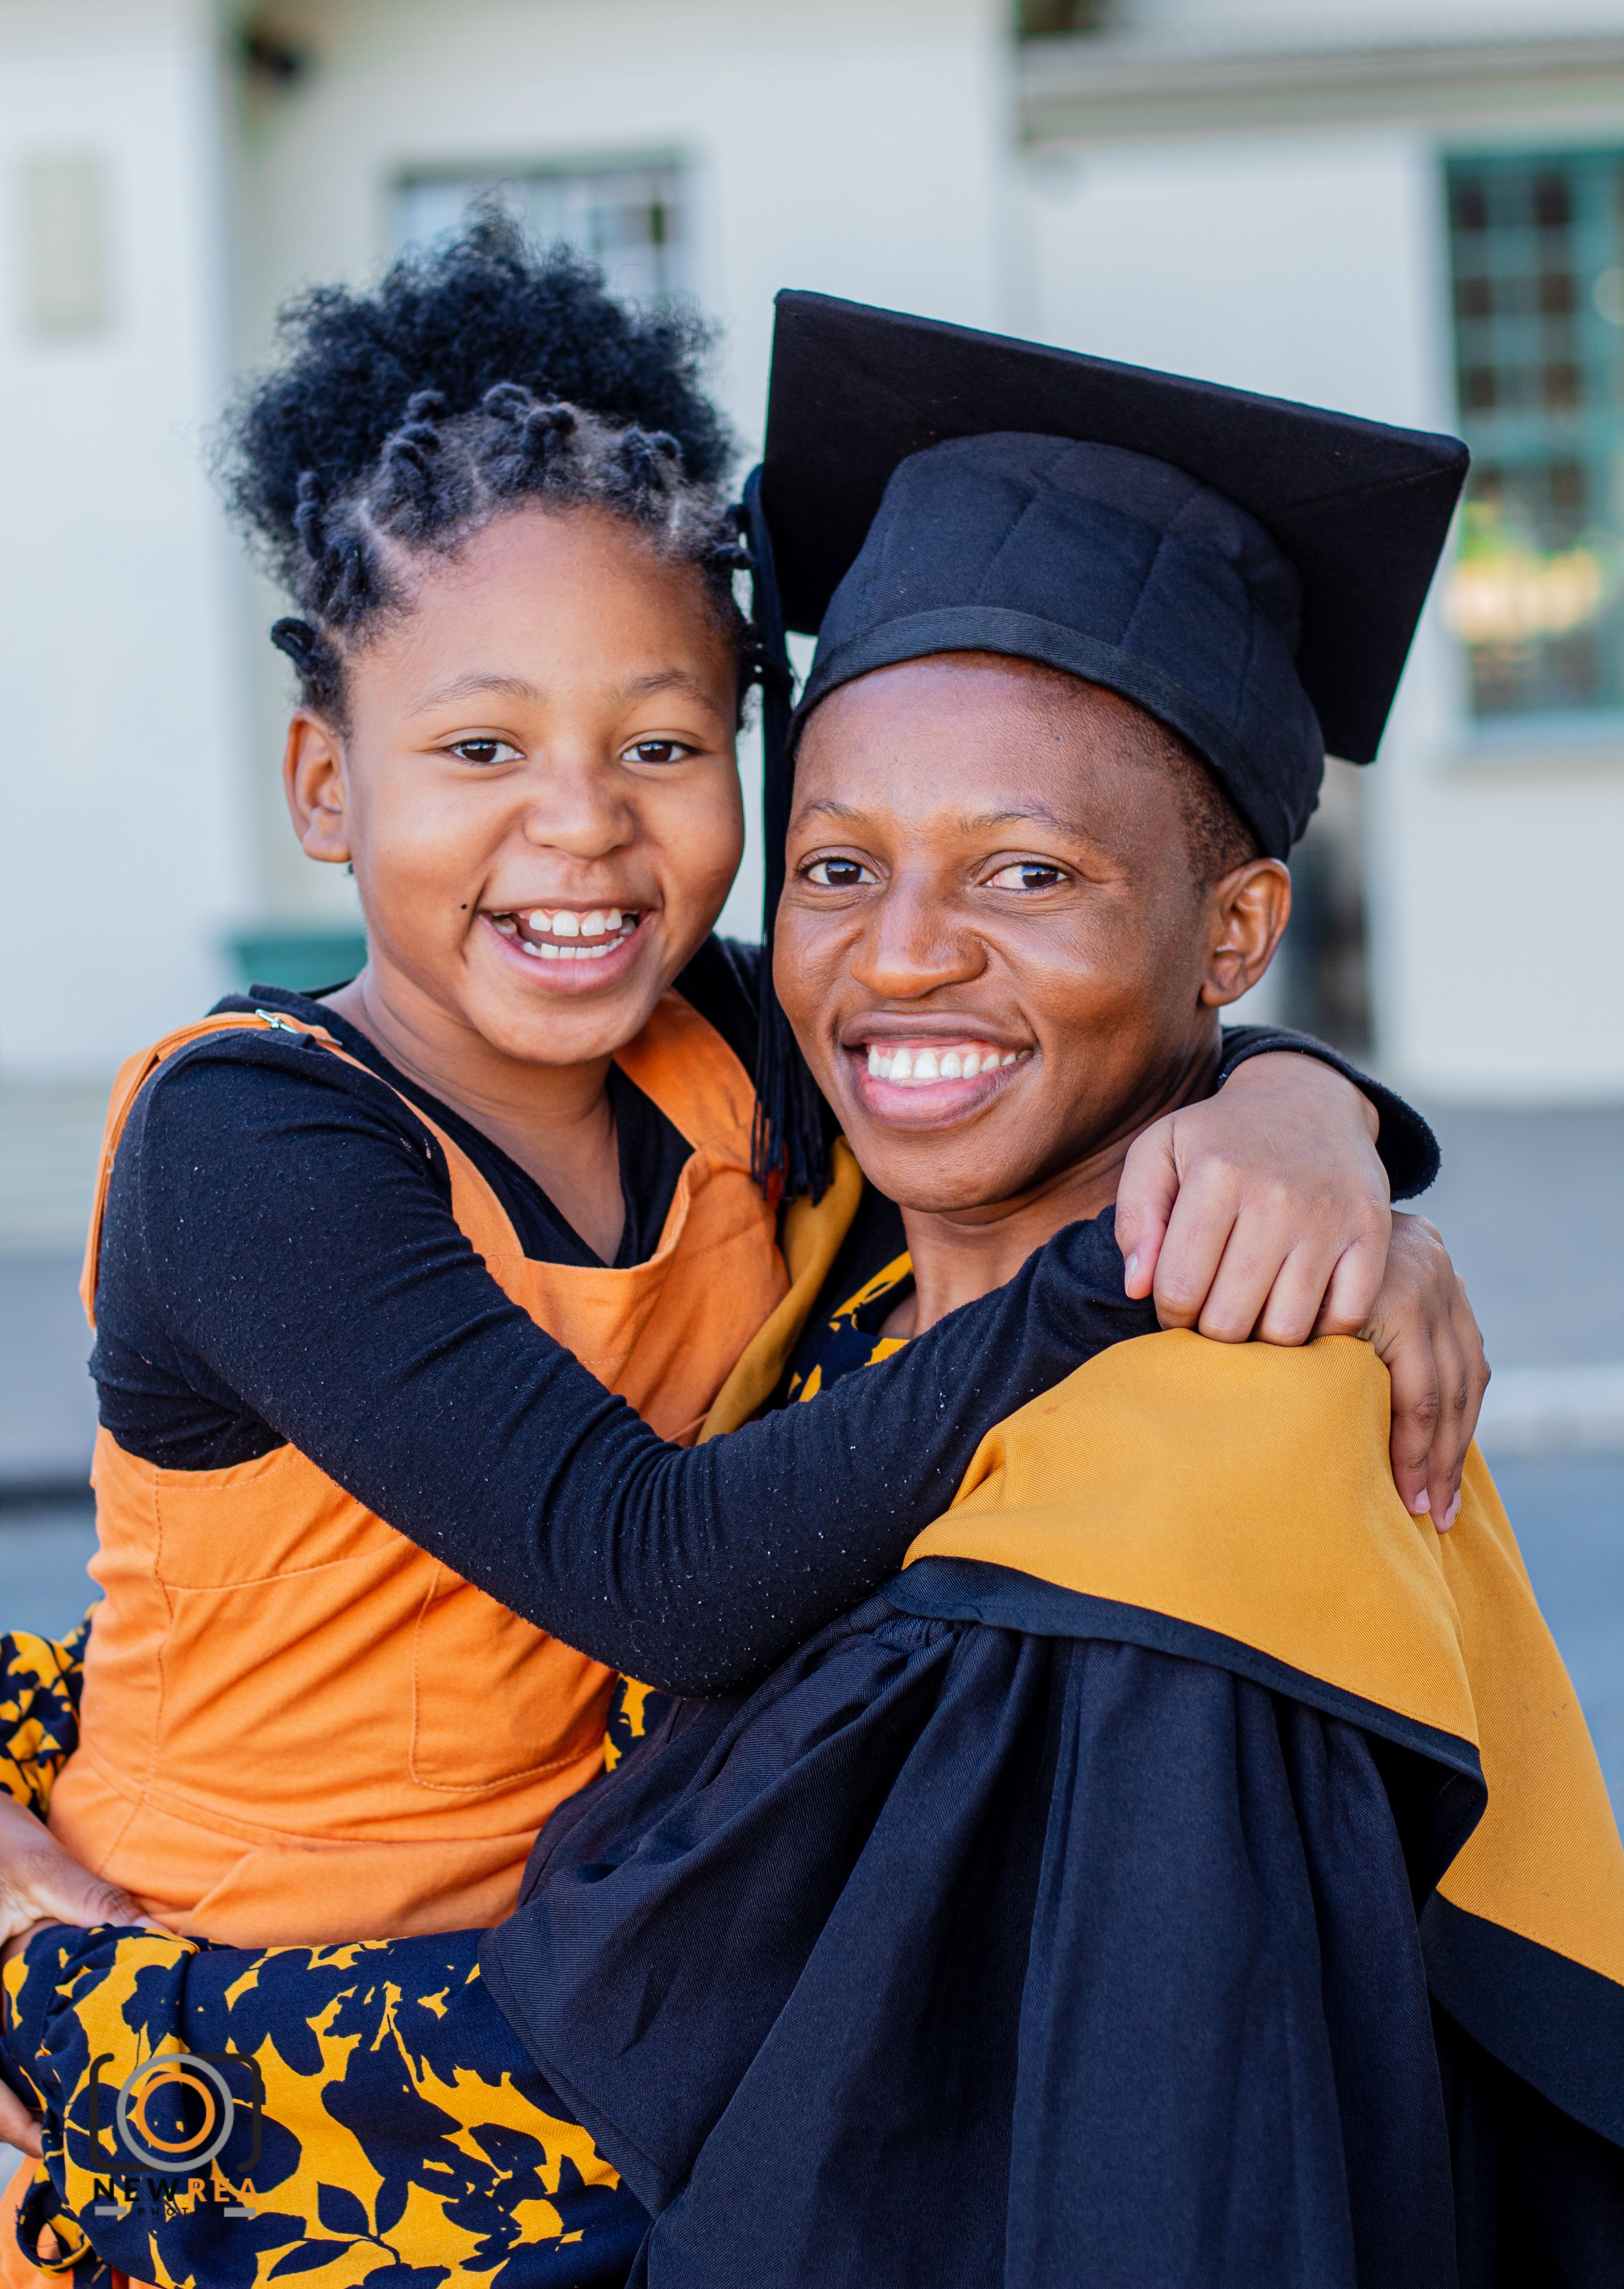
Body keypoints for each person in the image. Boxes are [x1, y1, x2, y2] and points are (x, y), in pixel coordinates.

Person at [7, 305, 1605, 2289]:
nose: (582, 825)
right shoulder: (259, 1146)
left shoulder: (735, 1060)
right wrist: (1139, 1250)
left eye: (664, 748)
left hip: (519, 2009)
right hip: (235, 1995)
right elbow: (647, 1565)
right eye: (481, 747)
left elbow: (994, 1033)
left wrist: (1309, 1118)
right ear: (328, 783)